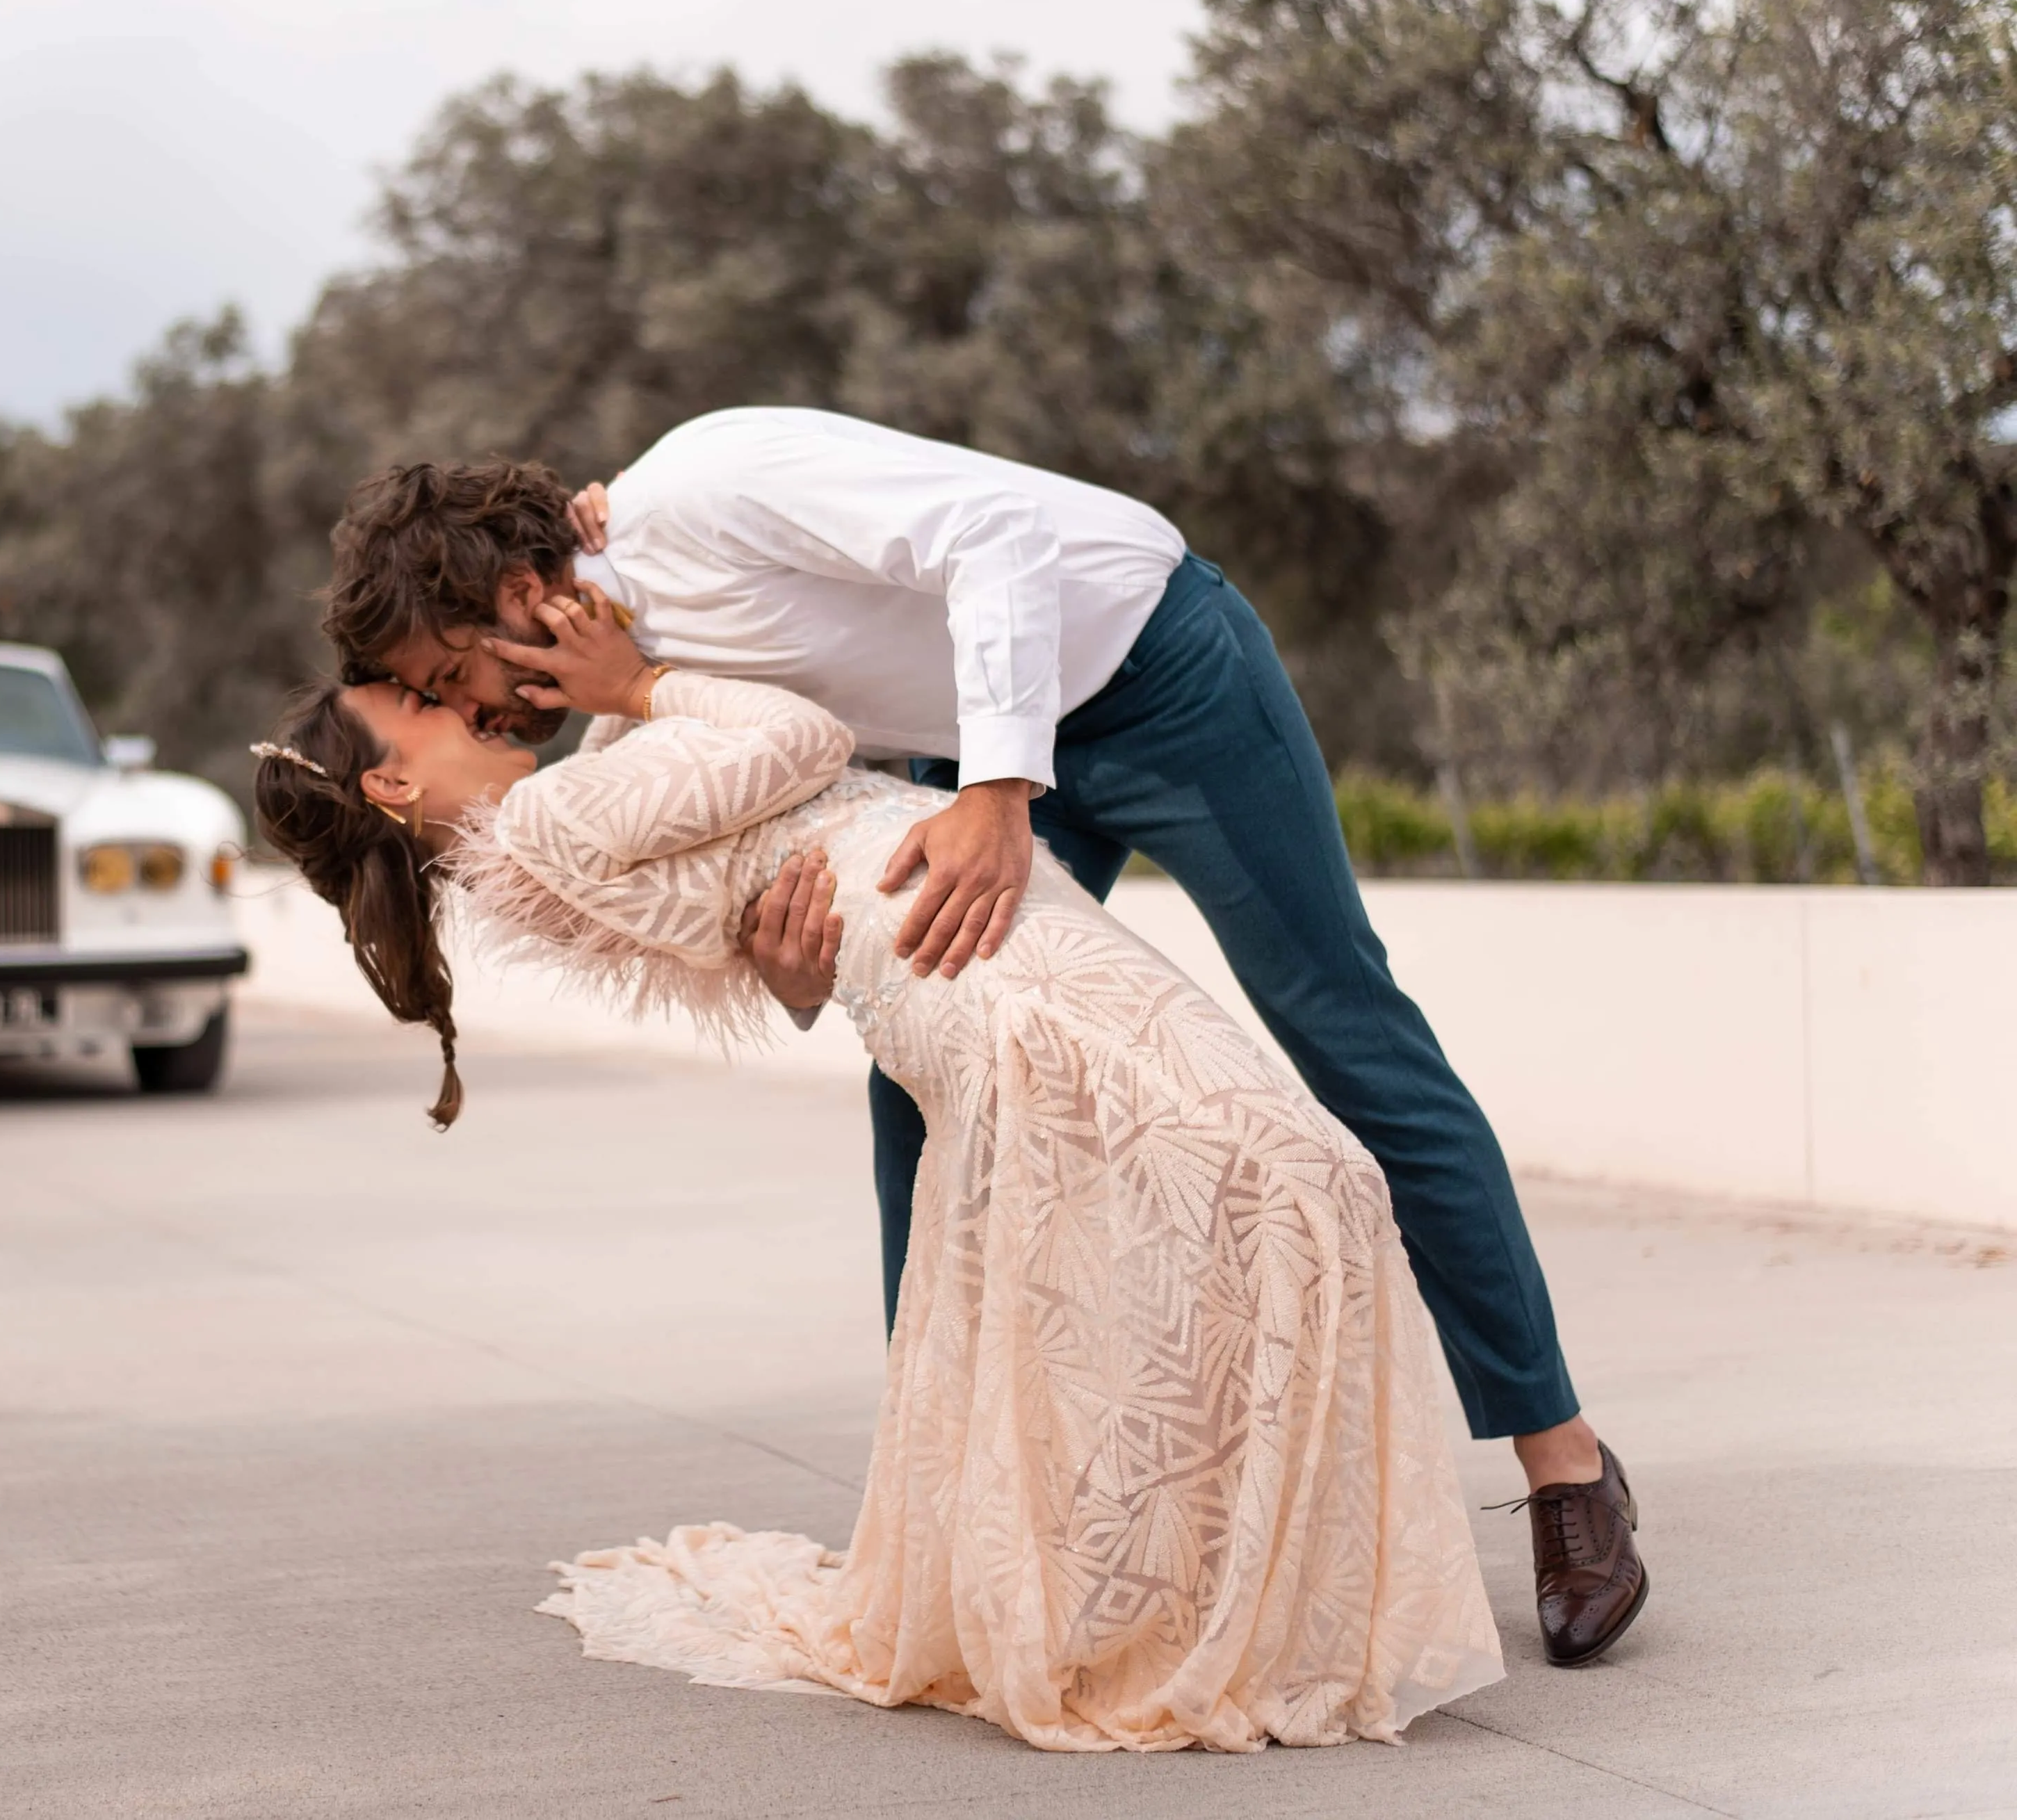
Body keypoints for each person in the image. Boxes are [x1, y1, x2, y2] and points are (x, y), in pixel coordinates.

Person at [319, 416, 1648, 1668]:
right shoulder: (618, 686)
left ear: (501, 590)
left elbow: (995, 535)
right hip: (979, 752)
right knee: (922, 1097)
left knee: (1348, 1041)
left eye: (458, 678)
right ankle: (956, 1525)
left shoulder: (704, 483)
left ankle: (1565, 1467)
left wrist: (1005, 791)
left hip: (1159, 671)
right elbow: (753, 844)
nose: (486, 717)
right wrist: (788, 975)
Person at [248, 590, 1504, 1749]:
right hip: (978, 958)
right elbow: (797, 737)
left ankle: (1180, 1588)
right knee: (1294, 1176)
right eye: (420, 707)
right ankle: (1198, 1599)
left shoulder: (549, 829)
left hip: (956, 940)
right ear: (400, 787)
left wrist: (637, 679)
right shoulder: (550, 819)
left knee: (1270, 1188)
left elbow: (741, 918)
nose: (464, 703)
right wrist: (637, 682)